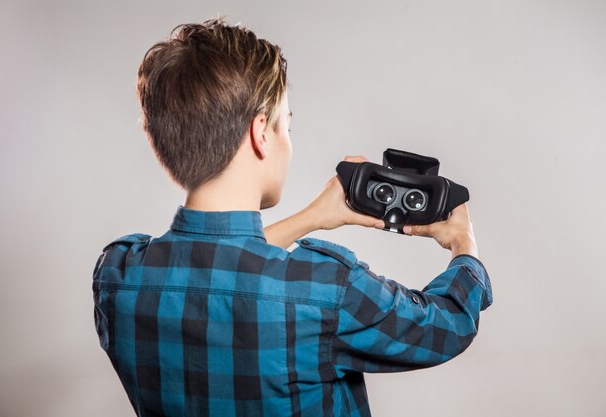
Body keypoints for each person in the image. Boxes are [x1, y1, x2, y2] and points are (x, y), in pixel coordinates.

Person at [92, 16, 493, 417]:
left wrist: (311, 218)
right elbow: (446, 326)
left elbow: (220, 270)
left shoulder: (117, 275)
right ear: (260, 133)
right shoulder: (326, 289)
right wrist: (465, 247)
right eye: (287, 124)